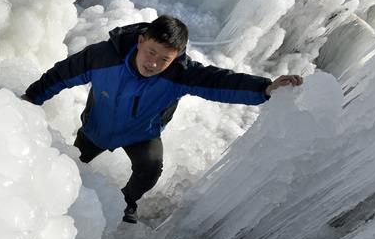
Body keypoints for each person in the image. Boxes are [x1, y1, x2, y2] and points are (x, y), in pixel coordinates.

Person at [21, 15, 303, 224]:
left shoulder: (179, 74)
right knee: (70, 168)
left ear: (177, 56)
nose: (153, 63)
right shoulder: (104, 57)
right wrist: (31, 98)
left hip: (141, 133)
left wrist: (264, 88)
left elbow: (220, 82)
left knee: (150, 169)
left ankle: (126, 202)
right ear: (141, 41)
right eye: (151, 52)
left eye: (164, 58)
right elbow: (63, 73)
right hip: (96, 128)